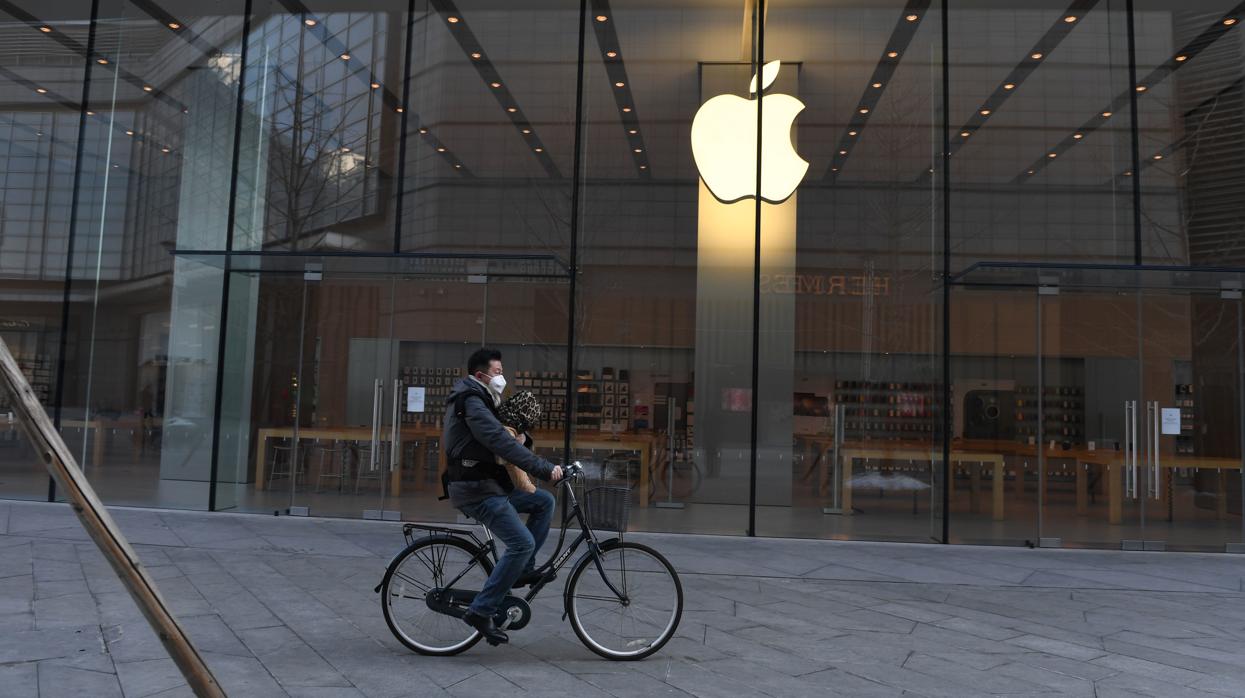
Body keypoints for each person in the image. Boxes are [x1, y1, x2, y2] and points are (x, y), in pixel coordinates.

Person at [442, 348, 562, 646]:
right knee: (521, 543)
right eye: (498, 372)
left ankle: (521, 571)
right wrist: (544, 469)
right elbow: (497, 440)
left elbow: (507, 436)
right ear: (481, 375)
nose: (502, 378)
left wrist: (526, 441)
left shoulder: (485, 400)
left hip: (489, 485)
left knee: (544, 502)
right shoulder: (472, 401)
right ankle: (481, 611)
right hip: (476, 488)